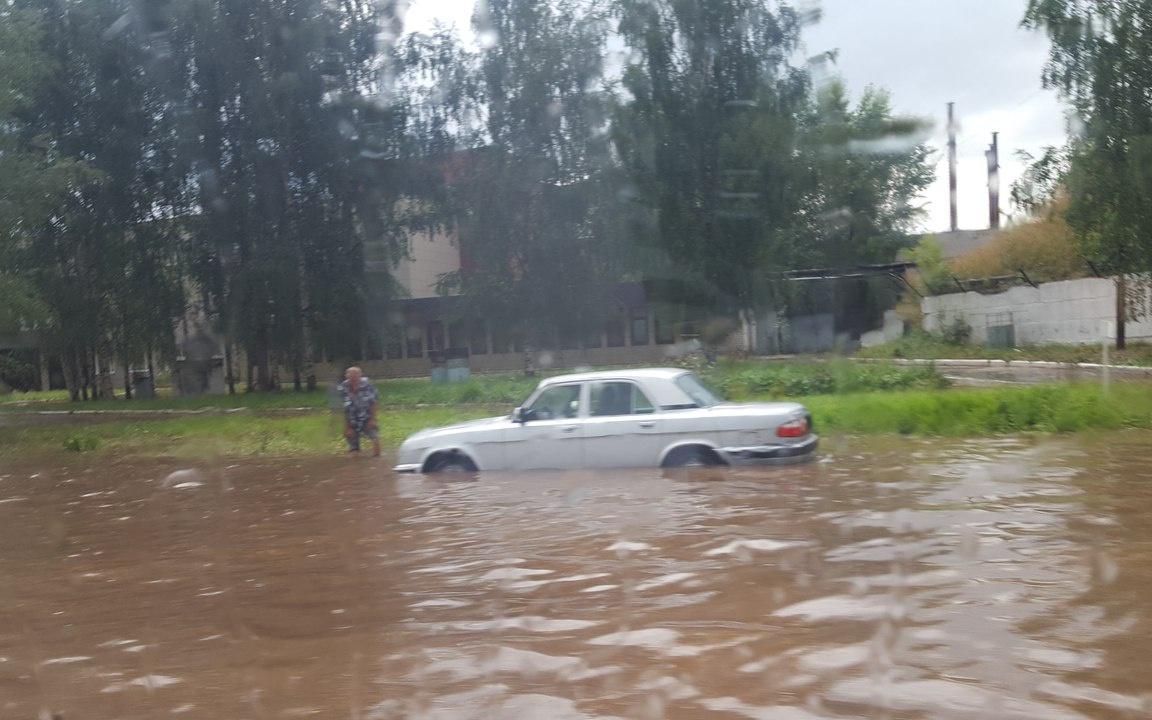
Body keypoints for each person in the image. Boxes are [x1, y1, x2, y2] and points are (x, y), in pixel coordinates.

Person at [337, 366, 380, 456]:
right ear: (346, 376)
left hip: (367, 417)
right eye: (351, 375)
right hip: (352, 420)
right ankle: (355, 454)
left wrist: (373, 419)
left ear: (360, 375)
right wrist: (347, 427)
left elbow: (373, 403)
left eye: (356, 375)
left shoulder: (367, 385)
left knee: (375, 439)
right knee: (353, 449)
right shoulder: (343, 387)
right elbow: (344, 409)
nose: (354, 377)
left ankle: (377, 457)